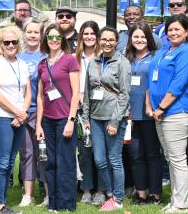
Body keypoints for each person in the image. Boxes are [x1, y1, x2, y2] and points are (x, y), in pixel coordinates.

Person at [148, 15, 188, 213]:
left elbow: (178, 83)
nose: (173, 33)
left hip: (176, 111)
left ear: (186, 32)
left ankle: (181, 204)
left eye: (178, 29)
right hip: (159, 112)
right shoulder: (162, 51)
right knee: (169, 157)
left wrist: (161, 107)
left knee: (177, 158)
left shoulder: (186, 52)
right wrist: (152, 107)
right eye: (170, 29)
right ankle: (175, 200)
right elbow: (152, 79)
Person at [83, 26, 131, 212]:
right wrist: (86, 116)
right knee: (99, 160)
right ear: (99, 40)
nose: (107, 43)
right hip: (95, 117)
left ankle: (118, 198)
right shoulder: (94, 61)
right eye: (104, 39)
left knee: (114, 159)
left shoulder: (122, 62)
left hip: (113, 118)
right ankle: (110, 194)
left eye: (111, 40)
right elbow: (87, 91)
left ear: (116, 41)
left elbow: (125, 94)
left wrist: (115, 121)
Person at [0, 26, 31, 214]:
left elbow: (28, 92)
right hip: (2, 117)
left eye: (14, 42)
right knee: (2, 162)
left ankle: (2, 204)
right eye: (6, 42)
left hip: (19, 117)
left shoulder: (22, 63)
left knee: (11, 163)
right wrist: (17, 113)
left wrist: (23, 112)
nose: (10, 45)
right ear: (0, 44)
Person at [35, 23, 81, 212]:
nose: (54, 40)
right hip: (47, 120)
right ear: (46, 40)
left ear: (62, 40)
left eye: (57, 37)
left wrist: (71, 120)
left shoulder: (70, 60)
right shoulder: (42, 63)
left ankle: (67, 204)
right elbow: (40, 96)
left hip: (64, 119)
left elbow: (76, 92)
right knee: (50, 162)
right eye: (50, 37)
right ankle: (53, 202)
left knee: (66, 162)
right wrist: (38, 124)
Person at [124, 22, 162, 205]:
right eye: (135, 36)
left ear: (149, 39)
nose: (139, 40)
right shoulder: (126, 59)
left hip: (149, 113)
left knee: (152, 154)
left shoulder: (156, 58)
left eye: (142, 37)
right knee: (136, 155)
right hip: (130, 116)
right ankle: (141, 193)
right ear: (130, 39)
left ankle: (155, 193)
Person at [17, 18, 47, 207]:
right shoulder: (17, 56)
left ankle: (48, 194)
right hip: (22, 113)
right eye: (29, 32)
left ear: (41, 35)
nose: (33, 35)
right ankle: (27, 195)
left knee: (44, 154)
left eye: (36, 32)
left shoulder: (46, 56)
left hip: (43, 114)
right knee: (27, 154)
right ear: (24, 34)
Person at [75, 20, 104, 205]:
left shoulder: (104, 58)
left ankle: (101, 190)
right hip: (80, 110)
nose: (89, 37)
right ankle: (86, 189)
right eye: (85, 34)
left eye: (92, 34)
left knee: (100, 153)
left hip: (100, 109)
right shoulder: (74, 58)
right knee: (85, 151)